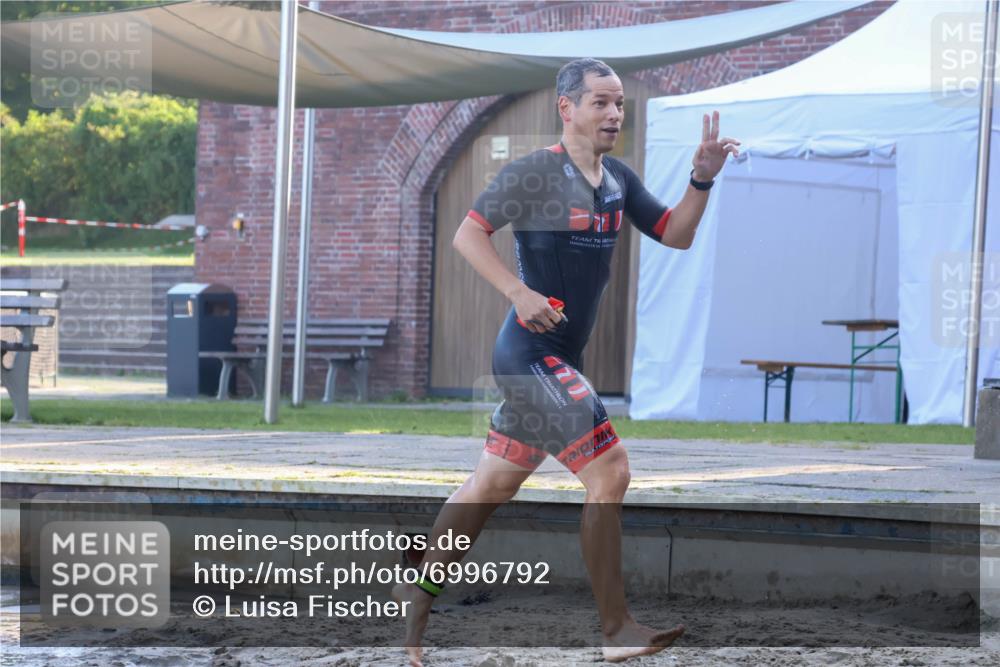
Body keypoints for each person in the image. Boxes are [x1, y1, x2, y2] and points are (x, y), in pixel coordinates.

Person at [393, 57, 740, 666]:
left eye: (619, 104)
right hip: (528, 355)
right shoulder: (535, 173)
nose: (613, 113)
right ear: (567, 108)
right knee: (610, 472)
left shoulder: (617, 181)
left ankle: (413, 600)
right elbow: (468, 235)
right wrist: (519, 293)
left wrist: (701, 179)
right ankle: (616, 631)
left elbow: (677, 233)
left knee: (487, 488)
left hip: (555, 357)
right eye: (600, 102)